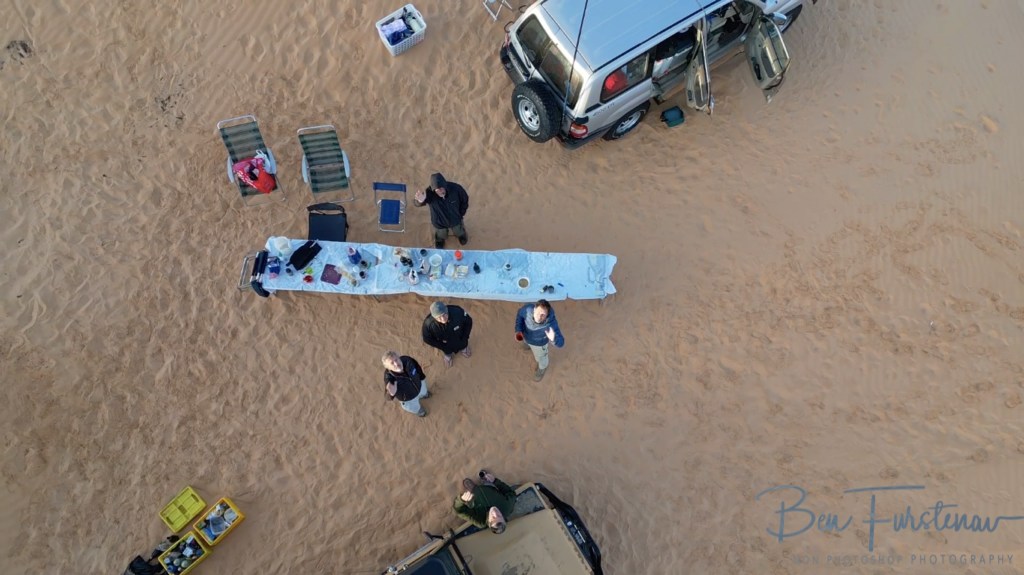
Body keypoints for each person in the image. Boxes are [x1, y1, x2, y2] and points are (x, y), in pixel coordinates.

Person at [413, 172, 469, 249]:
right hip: (439, 222)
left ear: (445, 185)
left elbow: (464, 200)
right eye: (437, 190)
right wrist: (420, 201)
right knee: (441, 234)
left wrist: (461, 214)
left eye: (441, 188)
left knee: (459, 230)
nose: (440, 191)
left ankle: (461, 235)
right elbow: (416, 203)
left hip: (455, 219)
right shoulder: (429, 193)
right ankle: (440, 240)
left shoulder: (456, 189)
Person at [514, 299, 565, 382]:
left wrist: (553, 339)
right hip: (527, 338)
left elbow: (561, 343)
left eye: (543, 315)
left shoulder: (551, 324)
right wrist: (518, 330)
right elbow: (520, 315)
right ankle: (528, 345)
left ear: (547, 316)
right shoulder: (527, 309)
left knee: (541, 359)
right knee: (527, 342)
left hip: (539, 345)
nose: (539, 317)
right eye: (538, 313)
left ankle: (542, 368)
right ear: (534, 309)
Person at [452, 469, 516, 534]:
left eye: (493, 518)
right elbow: (511, 493)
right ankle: (485, 480)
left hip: (474, 496)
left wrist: (461, 500)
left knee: (471, 495)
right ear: (503, 518)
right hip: (490, 487)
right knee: (487, 479)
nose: (495, 512)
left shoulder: (480, 521)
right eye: (499, 516)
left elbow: (460, 511)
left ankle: (473, 488)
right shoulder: (508, 507)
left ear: (489, 522)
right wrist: (496, 481)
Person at [422, 301, 473, 368]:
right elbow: (427, 339)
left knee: (463, 344)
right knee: (447, 351)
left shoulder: (457, 312)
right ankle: (448, 356)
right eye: (439, 317)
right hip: (445, 343)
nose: (443, 319)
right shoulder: (428, 324)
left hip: (460, 337)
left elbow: (468, 321)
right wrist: (441, 345)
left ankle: (464, 349)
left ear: (447, 310)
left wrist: (465, 337)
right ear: (434, 317)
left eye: (444, 314)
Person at [382, 350, 431, 417]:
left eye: (396, 359)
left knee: (424, 392)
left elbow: (417, 367)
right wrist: (390, 394)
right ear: (388, 368)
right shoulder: (389, 378)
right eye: (392, 363)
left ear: (399, 357)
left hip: (420, 385)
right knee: (414, 407)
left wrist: (422, 378)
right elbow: (387, 397)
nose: (396, 364)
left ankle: (425, 395)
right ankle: (419, 411)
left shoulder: (407, 360)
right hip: (409, 399)